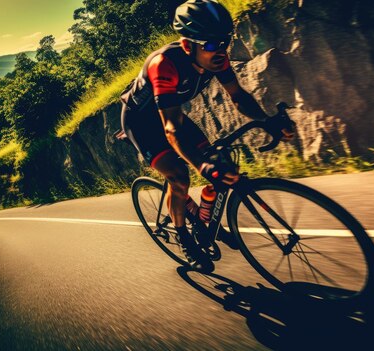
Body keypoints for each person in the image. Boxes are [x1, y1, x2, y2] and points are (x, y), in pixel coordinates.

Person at [120, 0, 294, 272]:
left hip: (171, 114)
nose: (221, 51)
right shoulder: (164, 64)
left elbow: (237, 96)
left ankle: (204, 216)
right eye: (211, 45)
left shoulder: (216, 57)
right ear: (188, 45)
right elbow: (170, 130)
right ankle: (184, 236)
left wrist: (267, 121)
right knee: (180, 177)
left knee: (224, 164)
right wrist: (201, 165)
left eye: (225, 42)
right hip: (142, 123)